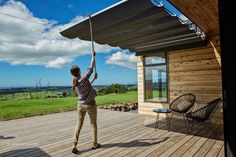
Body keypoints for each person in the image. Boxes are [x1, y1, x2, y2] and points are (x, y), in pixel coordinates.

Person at [70, 50, 101, 154]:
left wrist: (94, 79)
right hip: (90, 104)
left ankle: (74, 144)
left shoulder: (74, 83)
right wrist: (93, 56)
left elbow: (85, 87)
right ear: (79, 71)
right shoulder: (84, 77)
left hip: (80, 105)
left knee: (78, 124)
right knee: (93, 124)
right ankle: (95, 144)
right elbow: (92, 65)